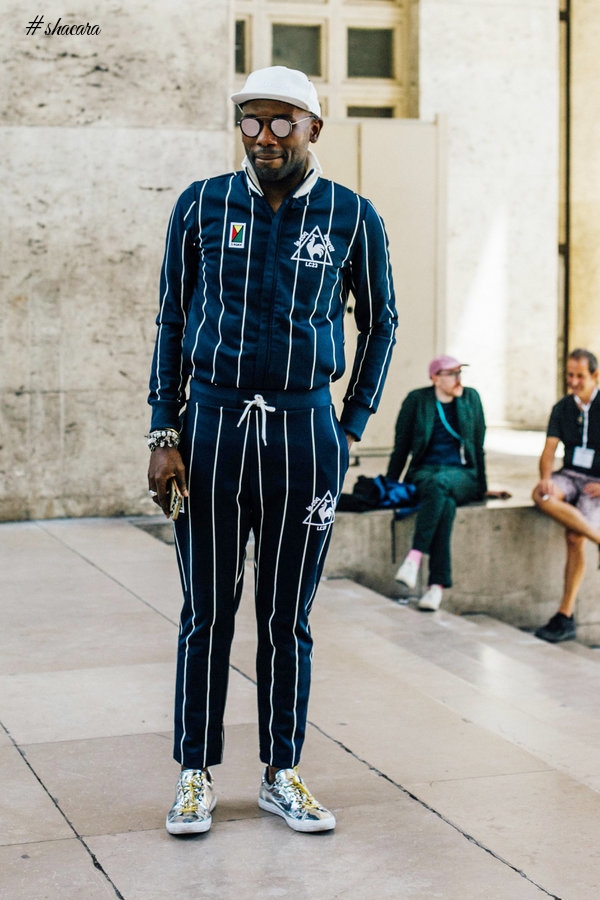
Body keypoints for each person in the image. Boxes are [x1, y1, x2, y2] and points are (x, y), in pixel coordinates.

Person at [146, 66, 397, 835]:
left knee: (287, 616)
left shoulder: (352, 215)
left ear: (315, 128)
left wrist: (349, 426)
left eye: (282, 122)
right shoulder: (200, 205)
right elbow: (170, 318)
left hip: (304, 434)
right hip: (213, 432)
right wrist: (164, 431)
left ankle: (281, 771)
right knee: (207, 611)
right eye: (251, 122)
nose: (264, 138)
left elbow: (381, 322)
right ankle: (195, 774)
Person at [387, 355, 508, 611]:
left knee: (439, 485)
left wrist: (483, 487)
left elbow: (478, 445)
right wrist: (389, 485)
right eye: (451, 374)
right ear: (435, 378)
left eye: (459, 373)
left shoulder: (470, 399)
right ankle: (435, 587)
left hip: (463, 475)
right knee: (445, 503)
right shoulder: (417, 400)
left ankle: (414, 556)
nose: (457, 379)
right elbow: (402, 447)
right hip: (424, 472)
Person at [532, 348, 600, 643]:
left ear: (595, 376)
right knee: (542, 495)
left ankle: (565, 615)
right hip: (570, 475)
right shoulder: (562, 407)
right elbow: (549, 450)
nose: (573, 381)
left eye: (579, 376)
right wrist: (546, 479)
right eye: (569, 375)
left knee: (574, 537)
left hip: (597, 482)